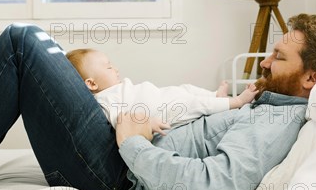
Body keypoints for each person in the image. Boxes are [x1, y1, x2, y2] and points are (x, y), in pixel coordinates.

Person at [0, 14, 316, 190]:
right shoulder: (267, 104)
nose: (263, 60)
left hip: (115, 169)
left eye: (278, 57)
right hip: (115, 149)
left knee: (22, 42)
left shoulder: (277, 121)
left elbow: (217, 185)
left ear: (312, 78)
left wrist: (133, 142)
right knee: (26, 44)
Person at [65, 48, 258, 132]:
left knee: (186, 89)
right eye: (108, 67)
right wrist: (147, 123)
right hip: (163, 111)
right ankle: (236, 102)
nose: (115, 69)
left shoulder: (115, 88)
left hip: (162, 96)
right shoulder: (104, 100)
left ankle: (216, 96)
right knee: (194, 104)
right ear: (91, 84)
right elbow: (120, 120)